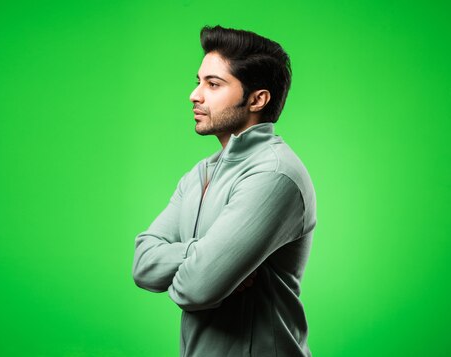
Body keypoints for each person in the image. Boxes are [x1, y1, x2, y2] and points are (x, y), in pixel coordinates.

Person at [132, 24, 316, 357]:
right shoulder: (199, 174)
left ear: (257, 99)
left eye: (213, 84)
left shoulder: (274, 175)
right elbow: (143, 263)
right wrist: (202, 253)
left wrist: (195, 266)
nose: (195, 95)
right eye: (198, 81)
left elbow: (195, 289)